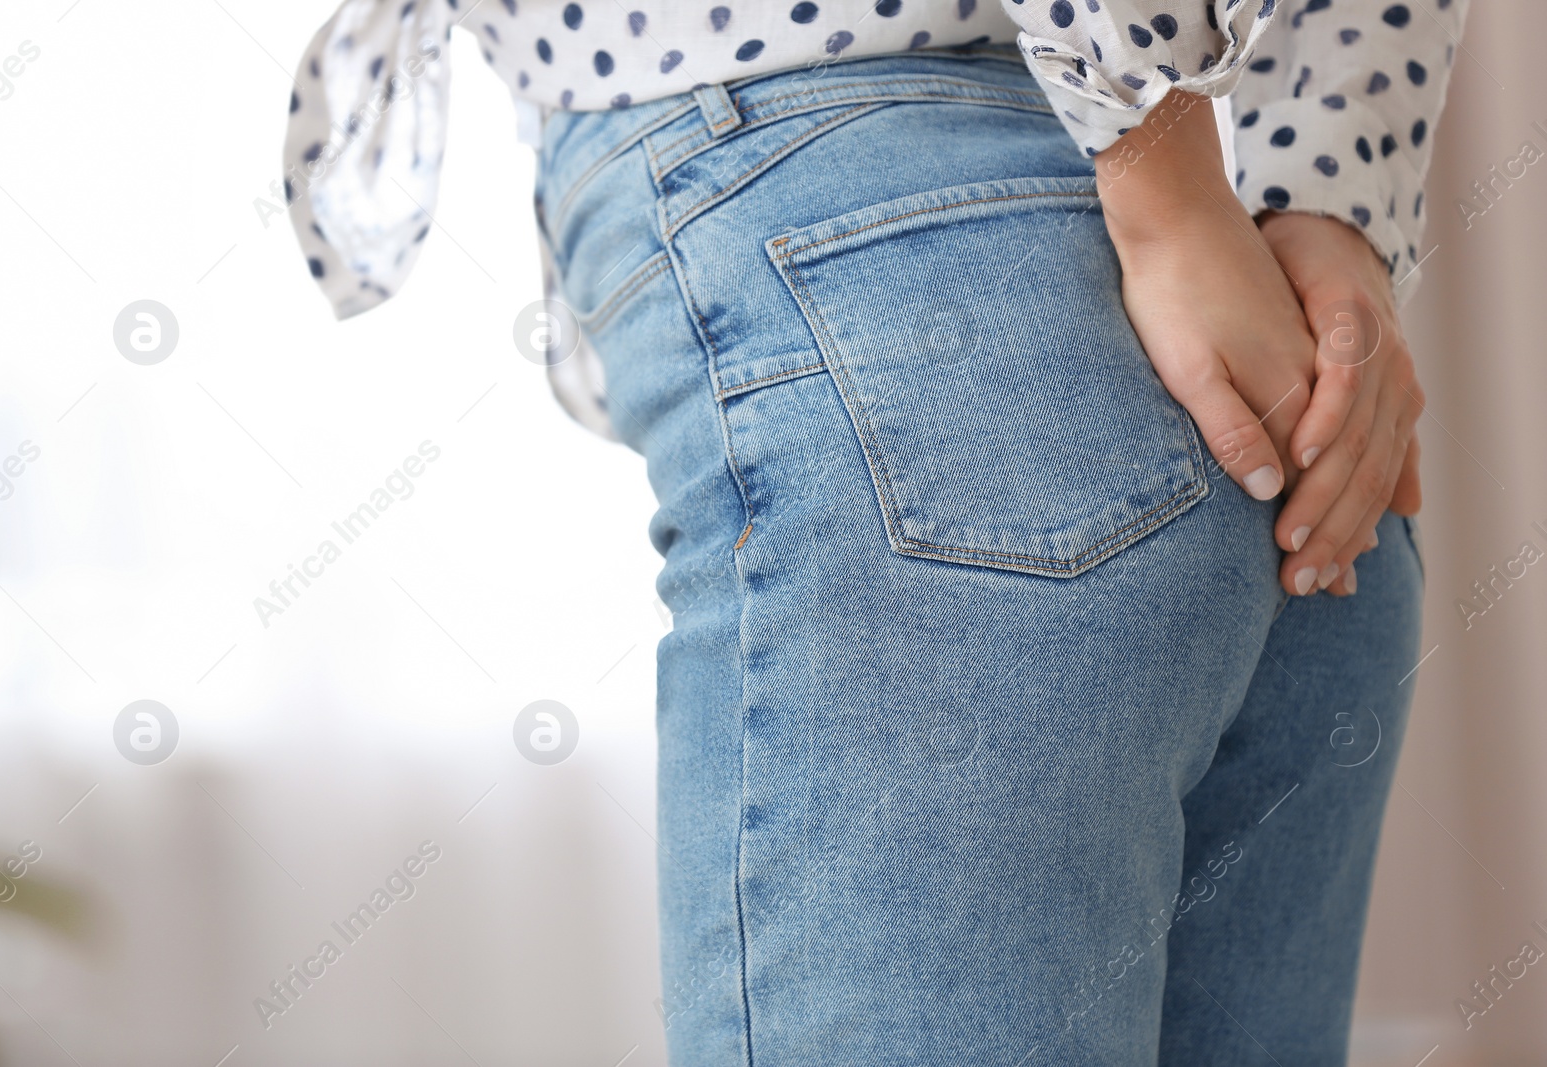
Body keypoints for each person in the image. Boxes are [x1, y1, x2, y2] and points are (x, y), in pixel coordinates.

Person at [285, 1, 1466, 1062]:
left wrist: (1164, 171)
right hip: (1284, 387)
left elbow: (1149, 146)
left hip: (910, 316)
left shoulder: (1158, 193)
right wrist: (1332, 212)